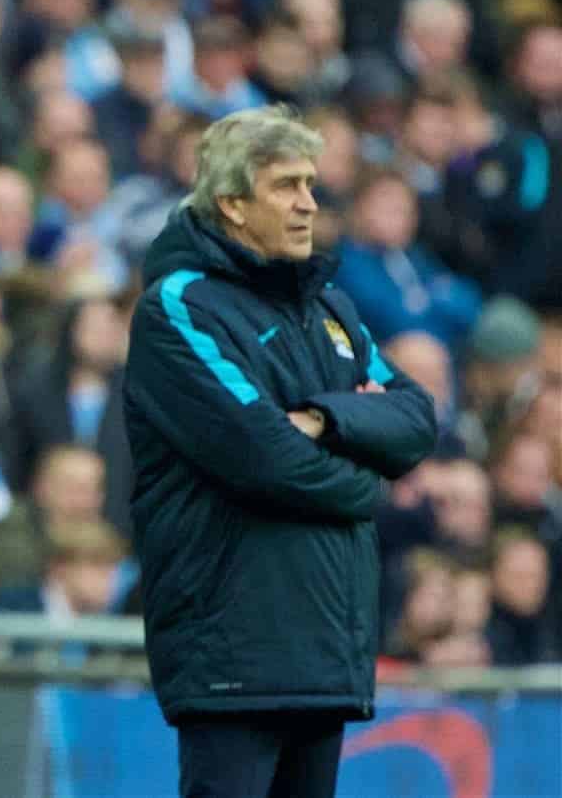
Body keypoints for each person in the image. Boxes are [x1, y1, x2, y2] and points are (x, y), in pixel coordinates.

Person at [123, 105, 437, 798]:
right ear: (232, 204)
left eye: (311, 184)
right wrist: (369, 488)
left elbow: (416, 417)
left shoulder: (331, 311)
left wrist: (325, 419)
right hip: (233, 653)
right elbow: (264, 454)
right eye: (286, 186)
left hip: (326, 652)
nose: (308, 204)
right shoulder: (179, 306)